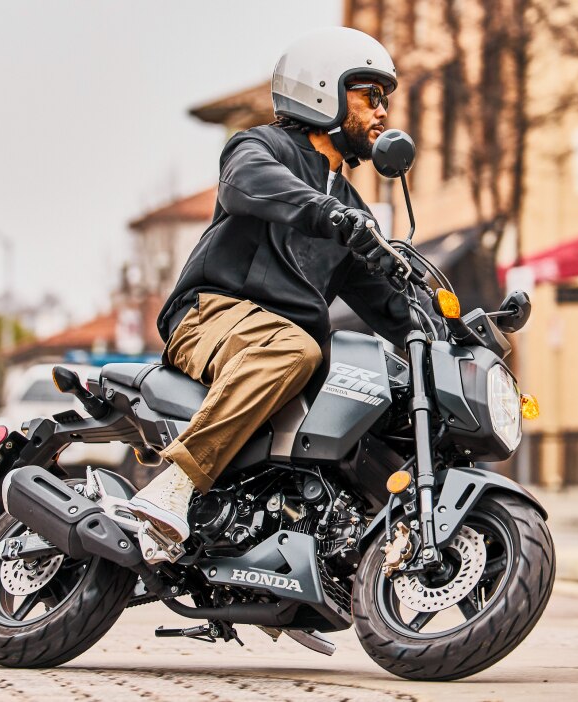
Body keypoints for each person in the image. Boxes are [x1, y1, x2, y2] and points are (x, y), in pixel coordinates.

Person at [128, 26, 423, 560]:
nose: (383, 112)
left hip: (276, 346)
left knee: (373, 391)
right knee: (297, 349)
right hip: (211, 316)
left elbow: (390, 305)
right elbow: (248, 182)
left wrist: (458, 331)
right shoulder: (261, 148)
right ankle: (173, 483)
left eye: (385, 99)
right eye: (370, 95)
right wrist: (330, 215)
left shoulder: (351, 209)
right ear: (323, 89)